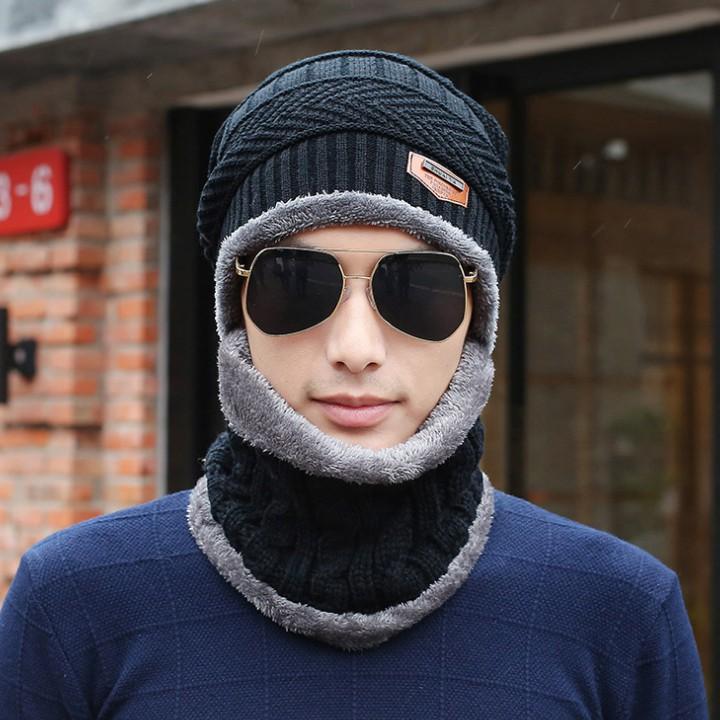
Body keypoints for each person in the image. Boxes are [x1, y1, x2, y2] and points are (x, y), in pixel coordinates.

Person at [0, 50, 708, 719]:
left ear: (478, 315)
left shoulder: (617, 614)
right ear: (234, 307)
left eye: (420, 288)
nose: (355, 349)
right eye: (294, 282)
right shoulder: (75, 605)